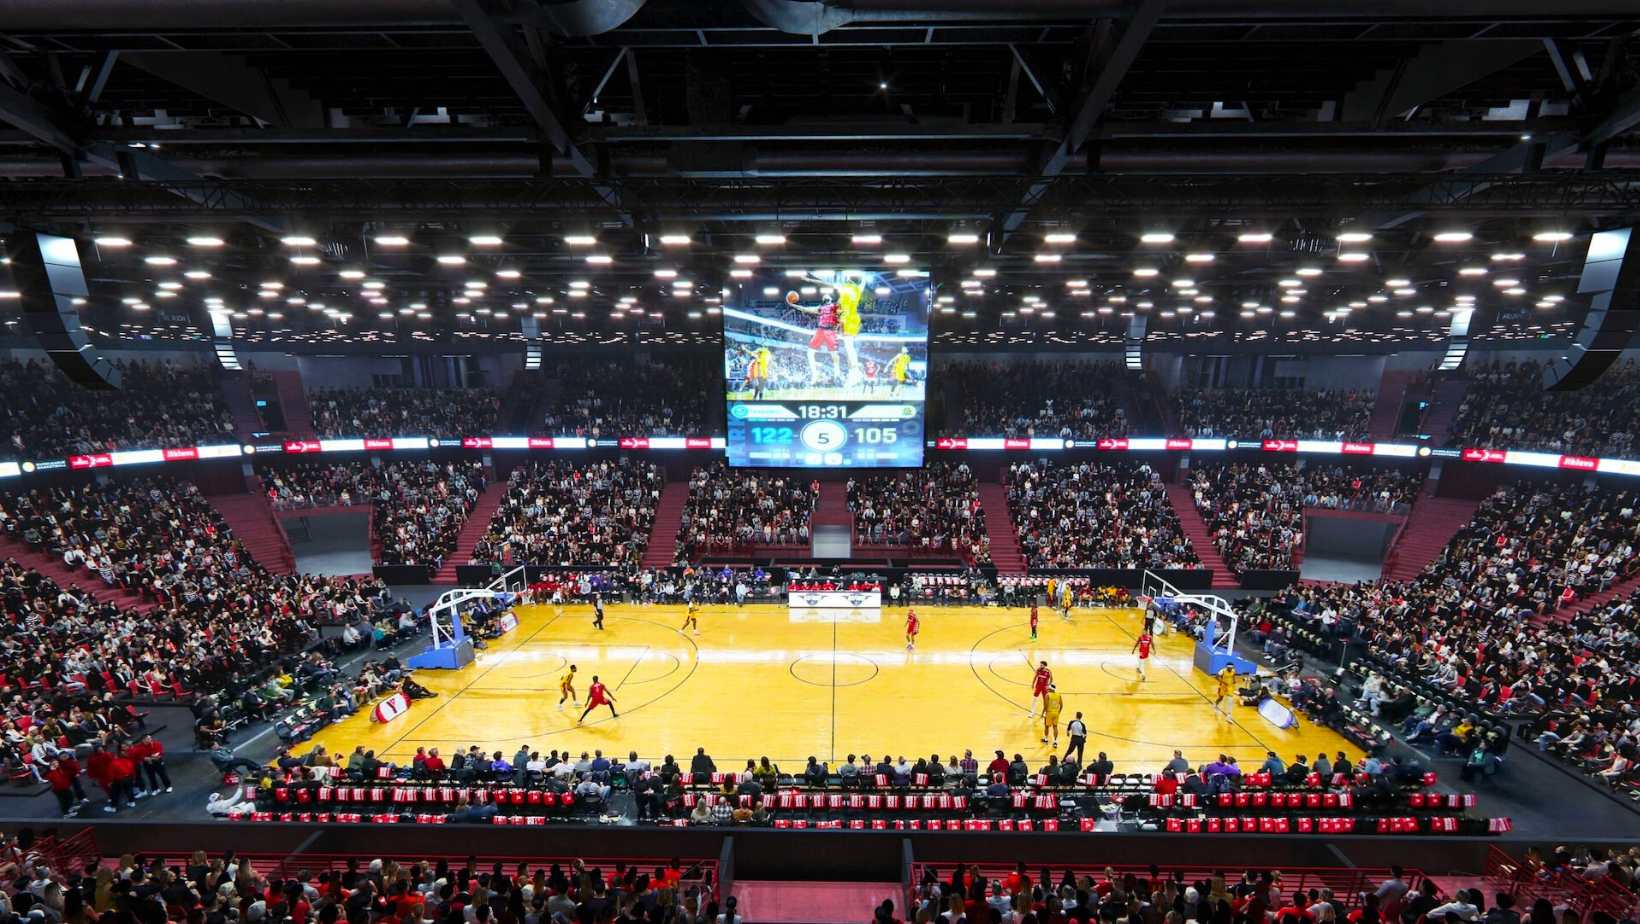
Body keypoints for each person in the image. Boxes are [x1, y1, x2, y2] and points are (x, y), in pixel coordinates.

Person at [1040, 684, 1064, 748]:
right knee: (1055, 727)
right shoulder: (1059, 695)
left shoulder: (1047, 695)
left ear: (1050, 689)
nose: (1047, 689)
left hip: (1049, 713)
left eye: (1048, 688)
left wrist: (1042, 713)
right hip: (1056, 713)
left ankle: (1046, 739)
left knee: (1046, 726)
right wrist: (1058, 712)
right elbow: (1061, 705)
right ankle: (1055, 741)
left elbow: (1045, 706)